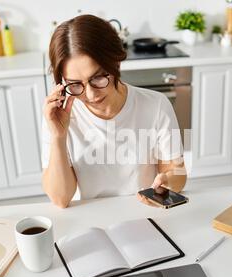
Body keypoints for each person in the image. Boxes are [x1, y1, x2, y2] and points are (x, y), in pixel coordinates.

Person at [42, 14, 187, 208]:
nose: (91, 94)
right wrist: (58, 137)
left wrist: (167, 182)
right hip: (92, 220)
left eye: (98, 78)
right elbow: (61, 199)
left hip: (146, 214)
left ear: (116, 63)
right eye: (75, 84)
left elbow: (178, 174)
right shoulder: (58, 118)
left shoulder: (156, 105)